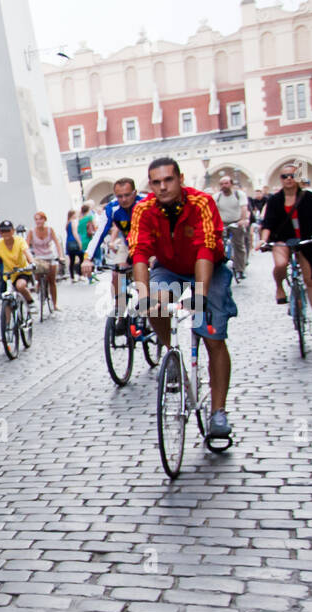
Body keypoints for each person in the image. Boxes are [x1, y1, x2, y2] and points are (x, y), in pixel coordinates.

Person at [129, 157, 236, 438]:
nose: (162, 187)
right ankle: (172, 354)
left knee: (214, 338)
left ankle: (218, 413)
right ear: (150, 184)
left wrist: (199, 294)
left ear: (180, 179)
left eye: (168, 180)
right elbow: (139, 252)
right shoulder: (144, 209)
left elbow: (206, 248)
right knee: (153, 302)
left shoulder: (201, 202)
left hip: (209, 265)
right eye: (156, 182)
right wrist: (142, 295)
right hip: (169, 267)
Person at [260, 163, 312, 336]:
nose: (288, 179)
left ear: (297, 178)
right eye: (284, 176)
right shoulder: (274, 200)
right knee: (281, 264)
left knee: (311, 280)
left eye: (292, 176)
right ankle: (279, 287)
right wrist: (263, 240)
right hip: (282, 240)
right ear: (281, 180)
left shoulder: (308, 197)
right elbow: (267, 222)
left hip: (305, 239)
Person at [81, 179, 145, 306]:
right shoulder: (112, 207)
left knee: (146, 276)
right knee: (117, 274)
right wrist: (88, 258)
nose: (124, 199)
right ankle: (119, 311)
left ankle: (147, 306)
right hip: (128, 245)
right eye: (119, 196)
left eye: (127, 195)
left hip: (150, 246)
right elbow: (99, 234)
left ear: (135, 192)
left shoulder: (145, 202)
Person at [0, 219, 34, 306]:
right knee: (6, 298)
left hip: (22, 270)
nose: (6, 233)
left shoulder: (19, 241)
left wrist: (31, 263)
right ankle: (6, 319)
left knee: (20, 286)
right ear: (0, 232)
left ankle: (30, 302)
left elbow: (27, 252)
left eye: (8, 230)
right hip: (8, 274)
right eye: (3, 231)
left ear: (13, 231)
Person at [214, 175, 250, 278]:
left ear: (231, 184)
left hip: (236, 221)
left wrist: (243, 220)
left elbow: (243, 208)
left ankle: (240, 269)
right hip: (222, 223)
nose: (224, 186)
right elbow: (212, 210)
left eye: (226, 183)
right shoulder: (217, 196)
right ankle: (219, 266)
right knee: (218, 244)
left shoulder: (239, 194)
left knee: (239, 245)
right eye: (221, 184)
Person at [28, 211, 63, 310]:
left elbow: (57, 243)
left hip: (50, 256)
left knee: (52, 281)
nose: (38, 221)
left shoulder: (50, 230)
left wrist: (60, 256)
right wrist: (29, 258)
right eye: (36, 219)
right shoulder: (32, 232)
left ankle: (55, 304)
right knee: (38, 276)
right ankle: (39, 286)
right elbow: (26, 246)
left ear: (44, 220)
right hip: (39, 258)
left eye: (41, 219)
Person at [64, 210, 84, 282]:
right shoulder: (73, 222)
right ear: (73, 215)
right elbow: (75, 233)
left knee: (72, 260)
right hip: (74, 242)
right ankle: (80, 275)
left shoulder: (67, 223)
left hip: (69, 242)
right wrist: (79, 242)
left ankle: (72, 277)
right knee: (81, 258)